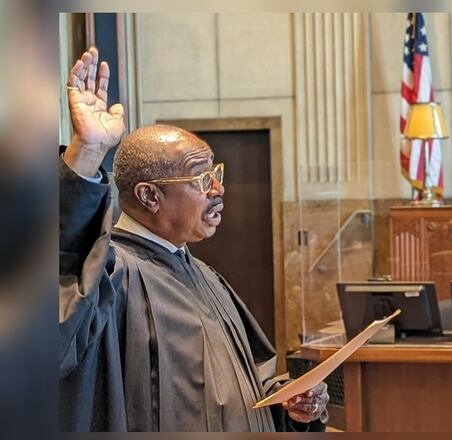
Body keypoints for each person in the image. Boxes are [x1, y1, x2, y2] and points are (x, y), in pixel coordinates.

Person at [59, 47, 329, 432]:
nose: (219, 188)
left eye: (215, 172)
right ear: (150, 196)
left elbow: (246, 388)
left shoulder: (206, 276)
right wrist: (87, 152)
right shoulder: (109, 277)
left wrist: (290, 402)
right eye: (200, 178)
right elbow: (48, 333)